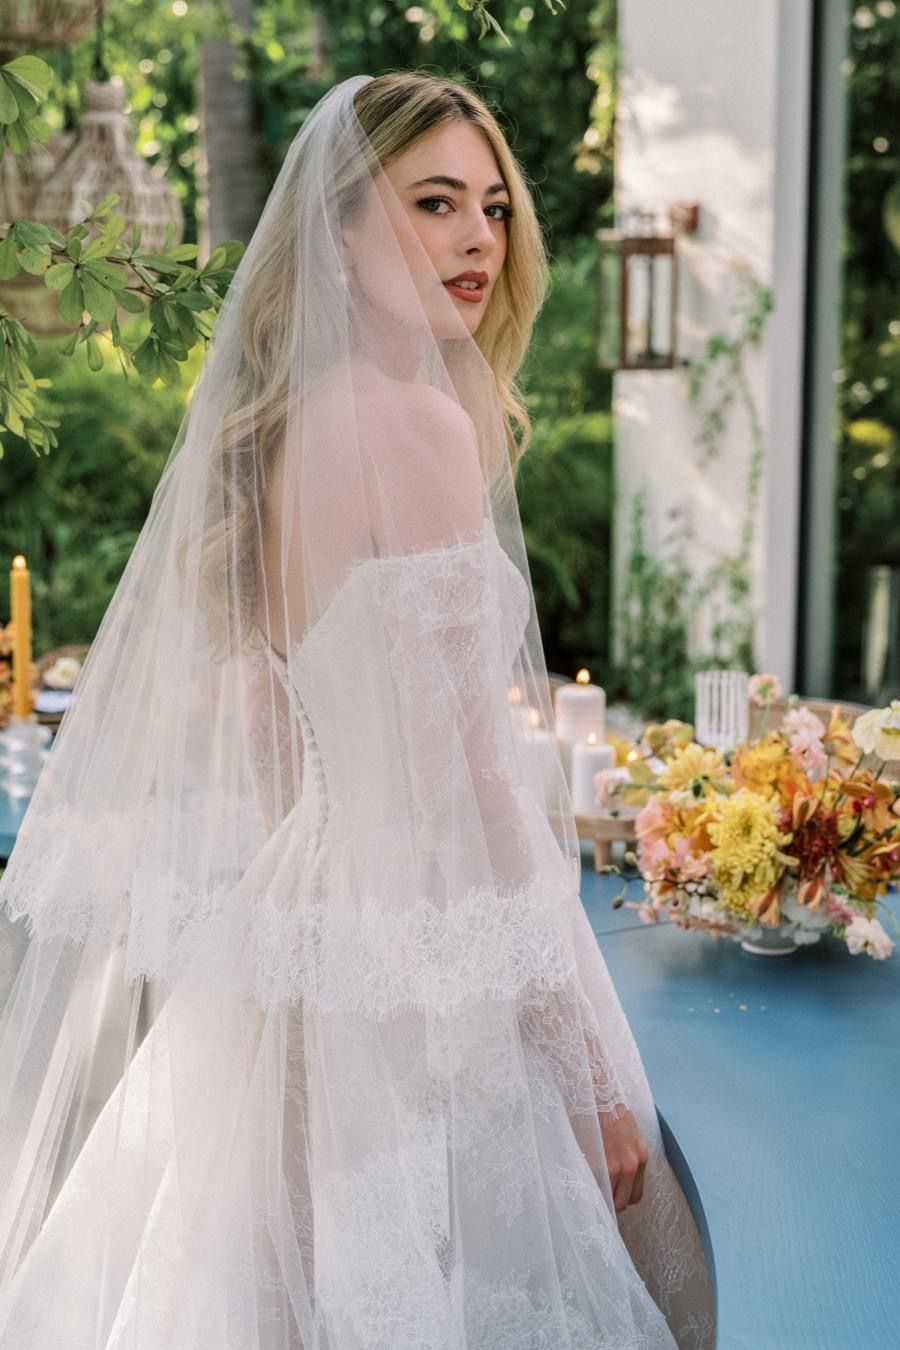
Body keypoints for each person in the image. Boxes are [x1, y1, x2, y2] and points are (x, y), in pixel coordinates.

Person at [0, 71, 714, 1348]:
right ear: (336, 227)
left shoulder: (278, 436)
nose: (478, 240)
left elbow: (287, 747)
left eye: (493, 207)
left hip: (297, 943)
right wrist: (593, 1072)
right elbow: (479, 788)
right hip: (422, 971)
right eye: (433, 203)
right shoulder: (420, 430)